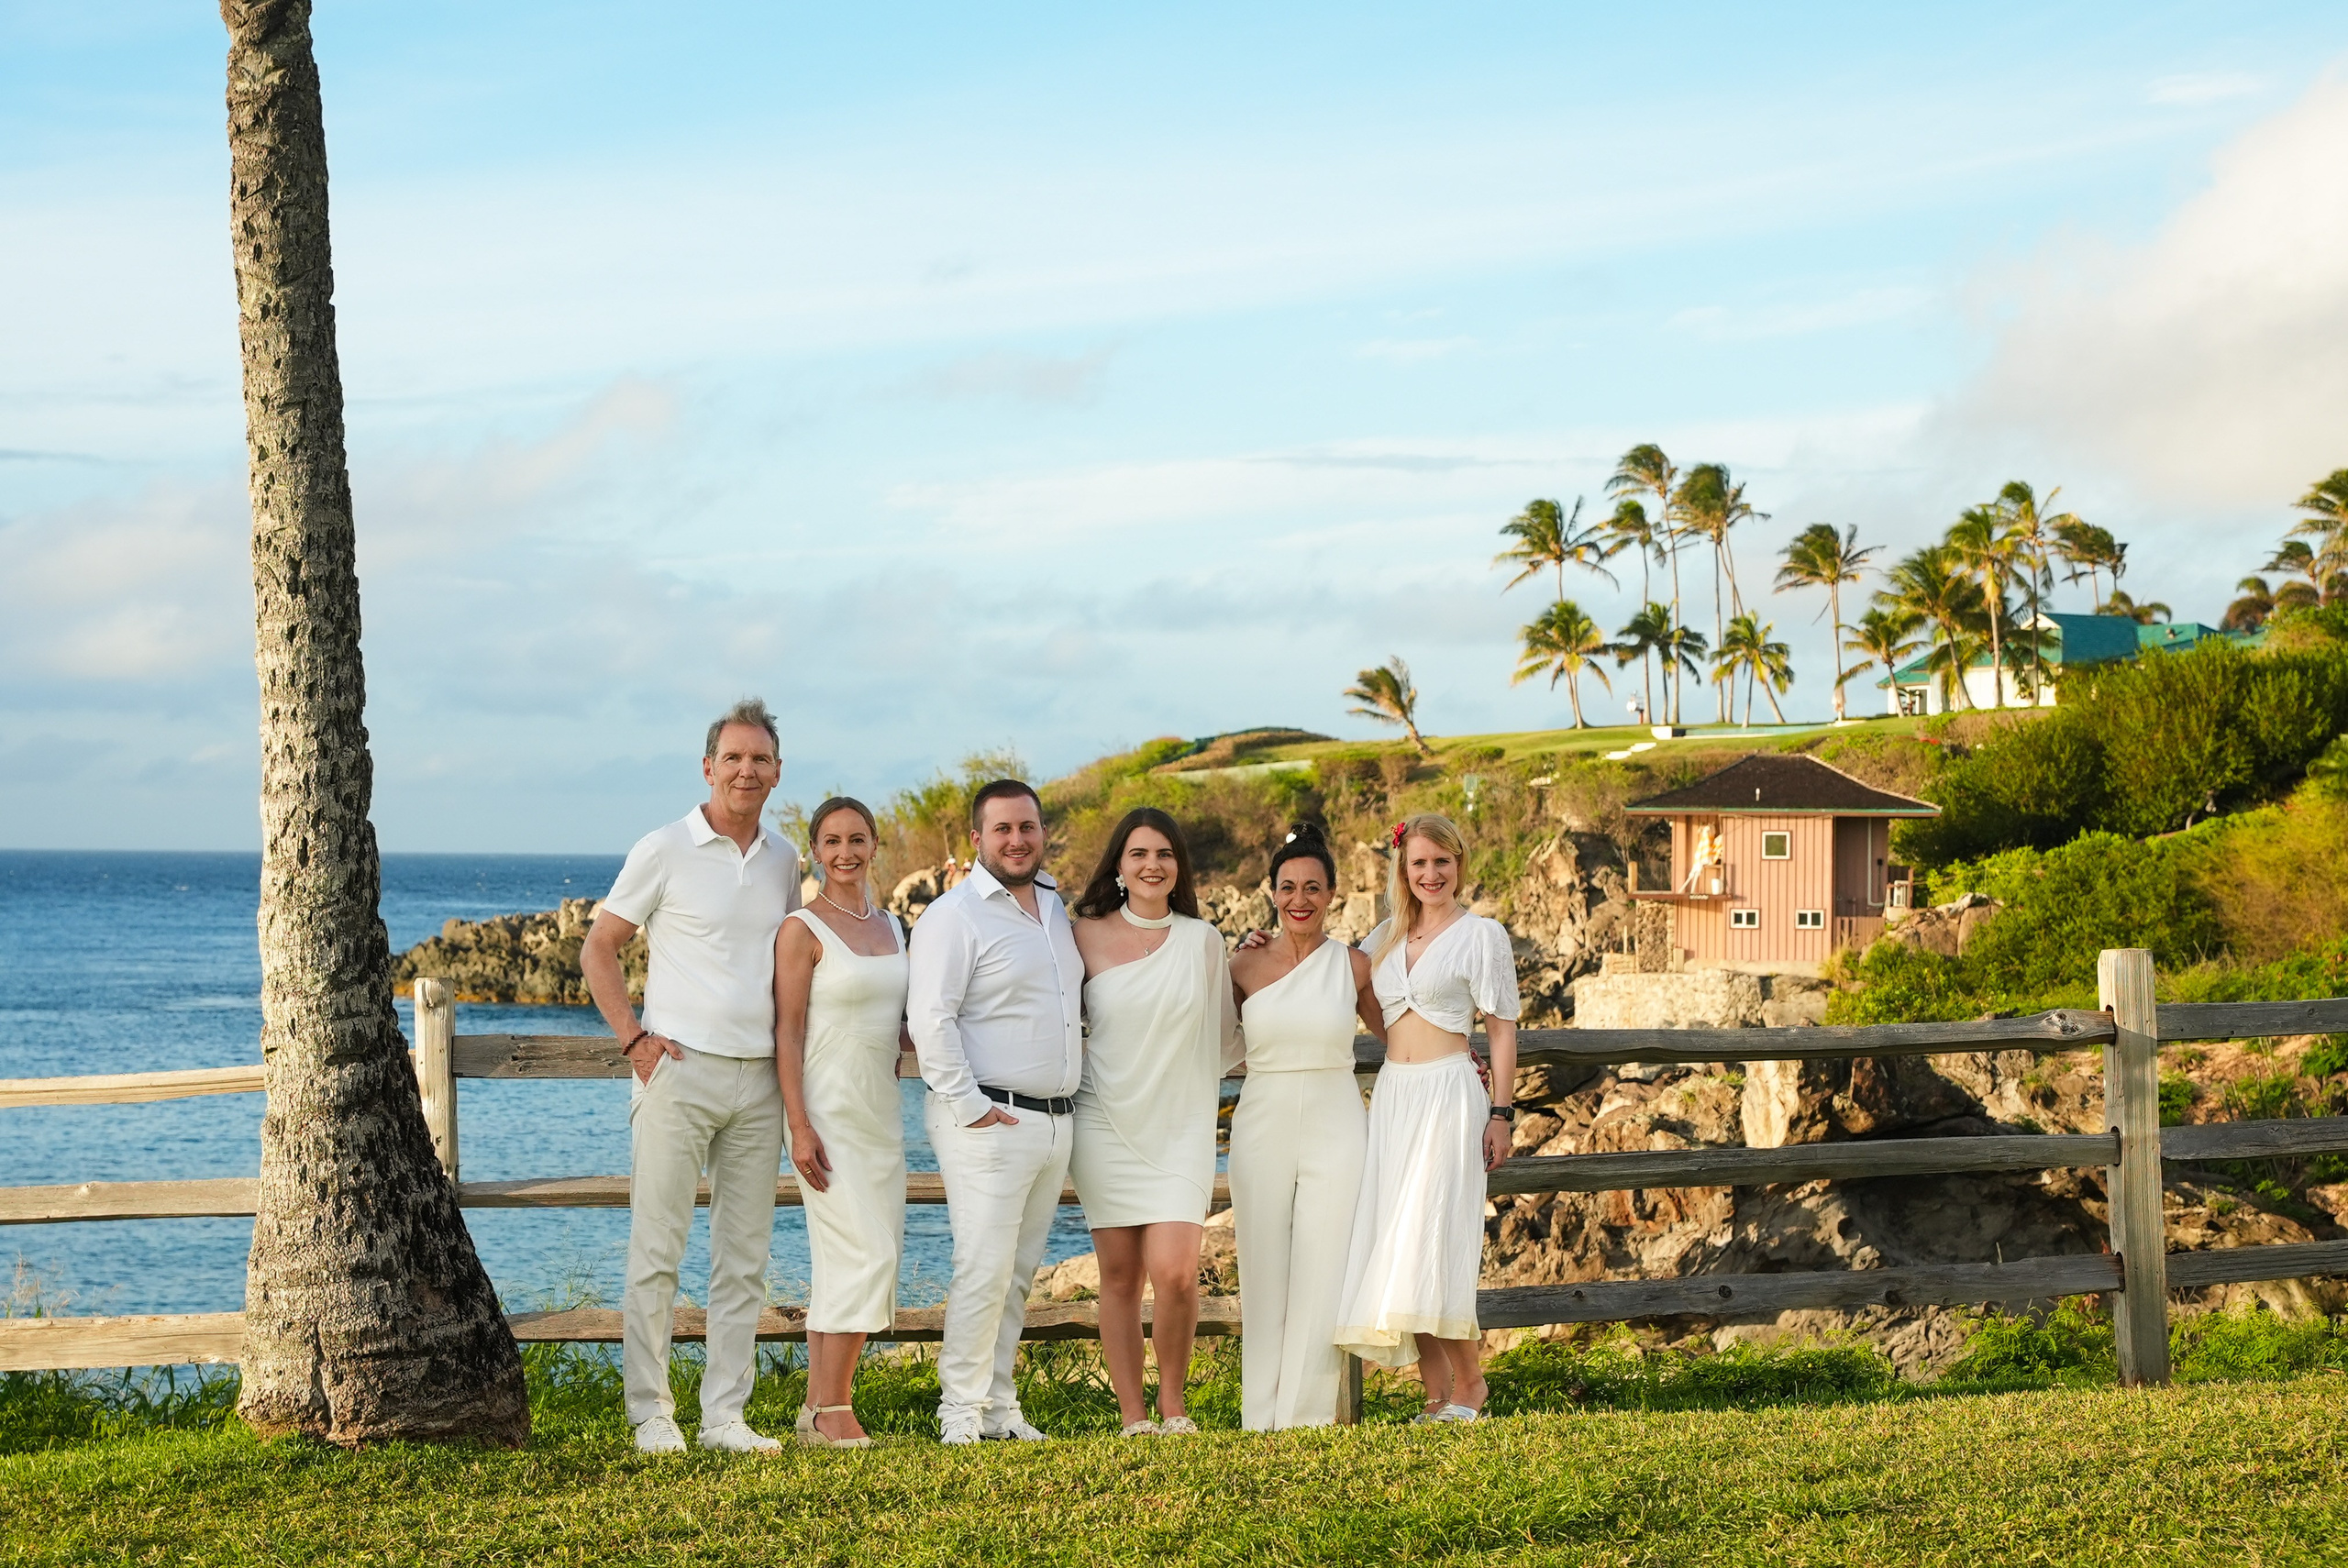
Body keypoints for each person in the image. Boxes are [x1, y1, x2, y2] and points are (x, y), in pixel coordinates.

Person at [582, 699, 802, 1456]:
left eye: (761, 759)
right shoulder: (664, 848)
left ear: (777, 773)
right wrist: (633, 1040)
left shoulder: (785, 858)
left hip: (760, 1081)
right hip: (677, 1074)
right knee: (658, 1252)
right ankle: (651, 1413)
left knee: (744, 1258)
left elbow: (794, 964)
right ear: (708, 768)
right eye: (733, 758)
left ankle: (724, 1417)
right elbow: (599, 948)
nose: (747, 770)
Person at [906, 778, 1084, 1445]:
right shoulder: (953, 916)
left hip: (1054, 1121)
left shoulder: (1055, 909)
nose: (1017, 839)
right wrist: (969, 1107)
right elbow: (931, 1017)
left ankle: (1000, 1405)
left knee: (1017, 1274)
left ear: (1042, 834)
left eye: (1028, 828)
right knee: (982, 1267)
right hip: (989, 1118)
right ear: (976, 839)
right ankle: (959, 1411)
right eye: (1002, 829)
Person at [1333, 812, 1520, 1422]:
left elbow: (1501, 1029)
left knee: (1433, 1236)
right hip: (1393, 1095)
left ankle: (1471, 1387)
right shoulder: (1383, 936)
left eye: (1442, 861)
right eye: (1419, 863)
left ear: (1459, 865)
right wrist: (1261, 945)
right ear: (1403, 869)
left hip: (1449, 1096)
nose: (1431, 873)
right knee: (1401, 1239)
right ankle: (1435, 1396)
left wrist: (1501, 1113)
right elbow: (1352, 988)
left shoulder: (1481, 935)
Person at [1067, 808, 1239, 1436]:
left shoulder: (1204, 941)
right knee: (1118, 1277)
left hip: (1181, 1128)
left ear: (1178, 867)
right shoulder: (1081, 933)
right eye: (1139, 854)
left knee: (1174, 1274)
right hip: (1104, 1119)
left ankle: (1174, 1403)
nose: (1152, 865)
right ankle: (1133, 1415)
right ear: (1118, 864)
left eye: (1164, 854)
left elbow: (1226, 1035)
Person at [1227, 822, 1384, 1430]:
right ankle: (1258, 1418)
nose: (1300, 899)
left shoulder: (1354, 966)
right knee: (1263, 1269)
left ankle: (1308, 1417)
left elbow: (1396, 1040)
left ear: (1332, 895)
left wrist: (1462, 1056)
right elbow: (1208, 1043)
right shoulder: (1240, 965)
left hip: (1336, 1121)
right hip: (1261, 1119)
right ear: (1271, 892)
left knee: (1324, 1271)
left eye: (1312, 888)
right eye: (1288, 887)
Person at [773, 796, 910, 1450]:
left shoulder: (893, 927)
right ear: (815, 851)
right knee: (865, 1253)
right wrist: (798, 1124)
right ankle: (835, 1408)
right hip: (825, 1113)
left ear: (875, 845)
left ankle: (815, 1410)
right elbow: (788, 1031)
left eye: (857, 838)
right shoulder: (801, 929)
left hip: (880, 1114)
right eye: (832, 841)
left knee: (850, 1261)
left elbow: (897, 1022)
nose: (846, 852)